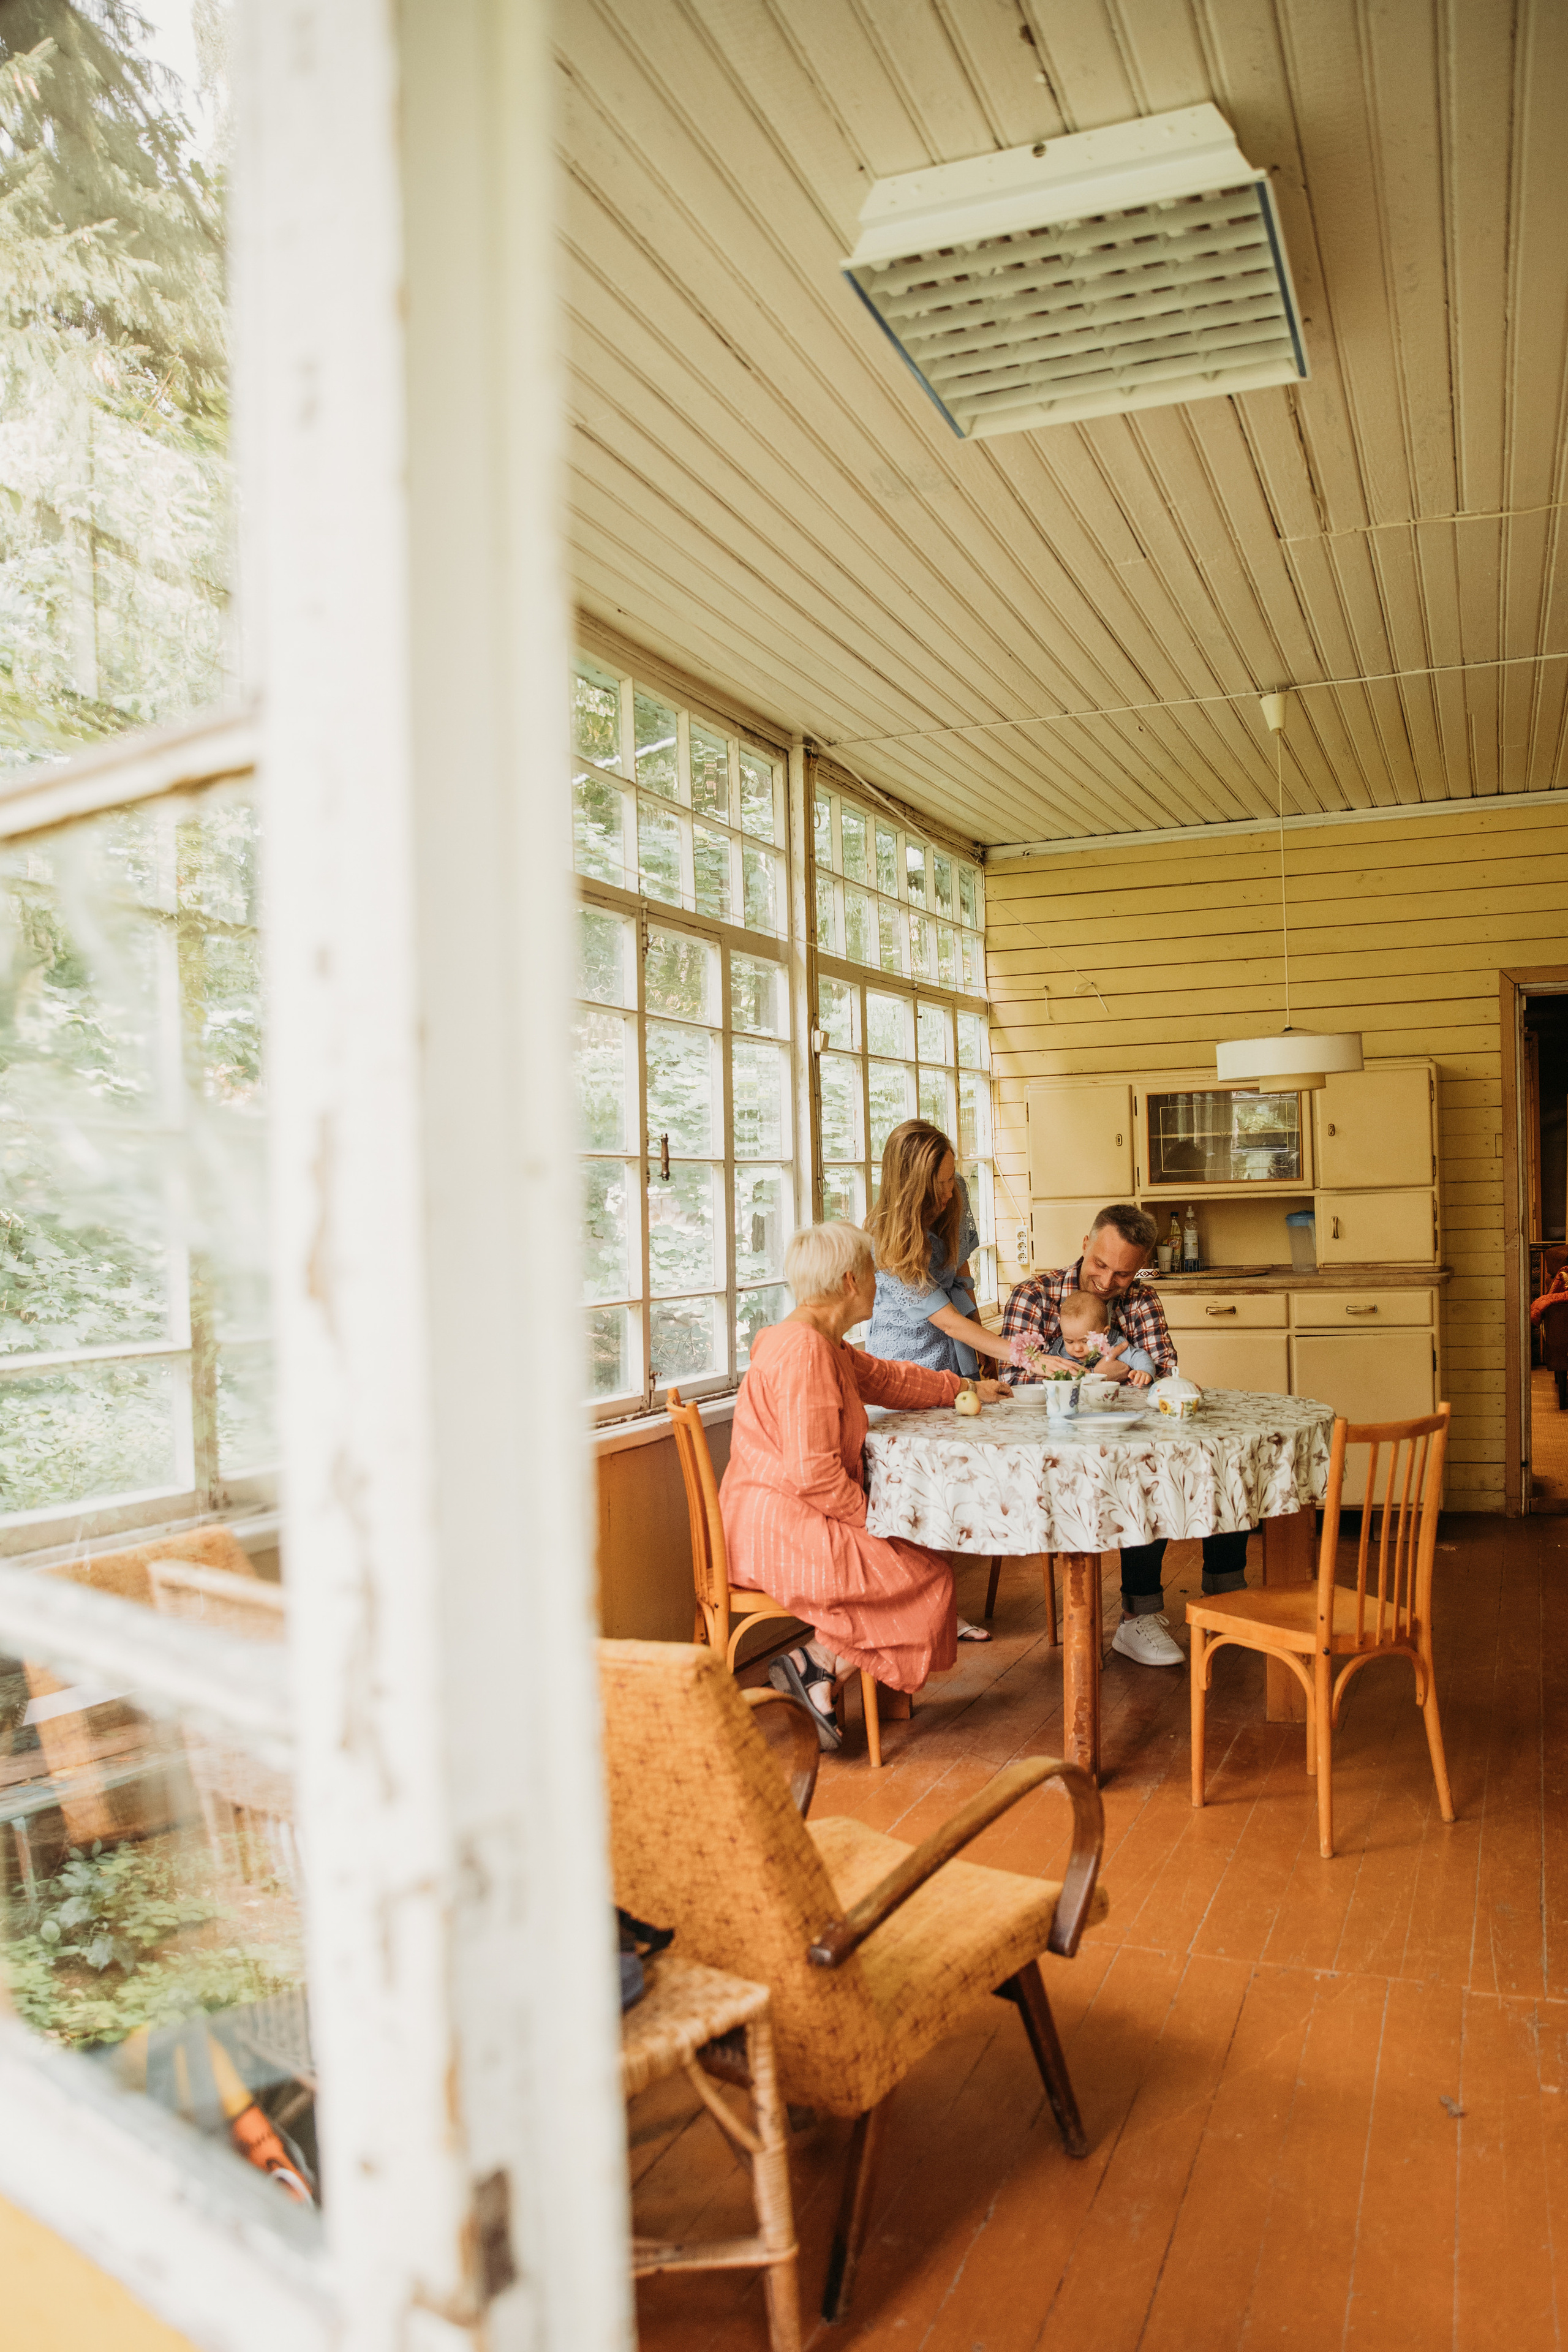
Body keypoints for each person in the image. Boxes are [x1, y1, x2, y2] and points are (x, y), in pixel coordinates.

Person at [720, 1219, 1010, 1749]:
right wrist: (881, 1521)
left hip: (783, 1514)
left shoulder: (818, 1341)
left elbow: (888, 1379)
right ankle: (818, 1662)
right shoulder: (804, 1351)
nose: (881, 1283)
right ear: (851, 1281)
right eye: (874, 1273)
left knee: (921, 1563)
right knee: (927, 1577)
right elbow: (816, 1477)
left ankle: (817, 1668)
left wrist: (966, 1386)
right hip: (782, 1526)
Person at [1000, 1202, 1251, 1668]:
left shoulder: (1141, 1300)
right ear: (1085, 1245)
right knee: (1142, 1474)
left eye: (1123, 1274)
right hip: (1058, 1450)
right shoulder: (1035, 1296)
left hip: (1130, 1438)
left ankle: (1226, 1596)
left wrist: (1144, 1377)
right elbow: (1013, 1388)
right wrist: (1101, 1376)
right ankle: (1141, 1614)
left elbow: (1164, 1374)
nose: (1108, 1281)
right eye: (1101, 1264)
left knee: (1219, 1452)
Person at [863, 1120, 1014, 1379]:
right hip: (902, 1363)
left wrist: (984, 1344)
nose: (949, 1192)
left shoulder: (955, 1192)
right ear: (913, 1187)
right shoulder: (885, 1238)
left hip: (953, 1349)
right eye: (939, 1184)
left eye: (950, 1178)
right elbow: (949, 1322)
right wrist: (1027, 1356)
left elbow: (960, 1274)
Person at [1052, 1288, 1156, 1385]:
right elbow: (1048, 1372)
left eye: (1085, 1341)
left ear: (1105, 1333)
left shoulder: (1113, 1344)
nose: (1077, 1348)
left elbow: (1137, 1356)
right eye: (1069, 1342)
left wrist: (1144, 1371)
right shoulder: (1059, 1350)